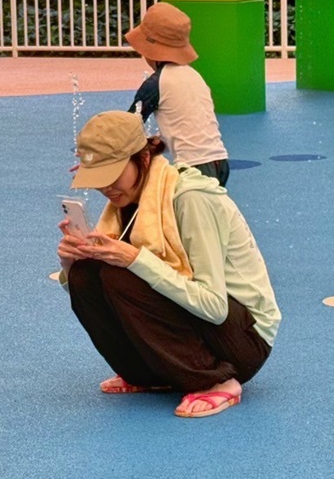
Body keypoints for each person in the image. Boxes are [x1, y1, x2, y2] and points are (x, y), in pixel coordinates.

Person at [57, 111, 279, 417]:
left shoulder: (190, 198)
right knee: (86, 274)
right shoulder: (130, 200)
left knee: (122, 275)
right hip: (205, 329)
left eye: (111, 175)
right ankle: (146, 375)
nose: (106, 188)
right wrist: (71, 263)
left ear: (143, 159)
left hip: (243, 340)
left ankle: (216, 382)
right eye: (97, 179)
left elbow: (215, 308)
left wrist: (137, 260)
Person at [126, 2, 231, 187]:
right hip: (220, 161)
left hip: (194, 168)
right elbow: (187, 127)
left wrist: (97, 157)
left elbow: (126, 127)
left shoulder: (155, 83)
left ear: (149, 51)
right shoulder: (193, 76)